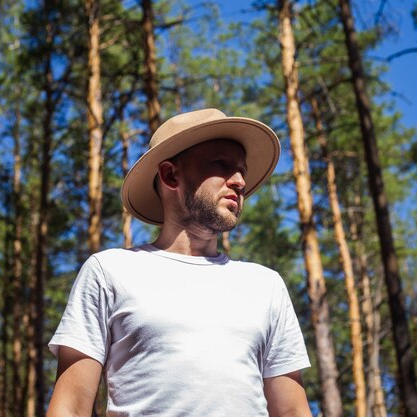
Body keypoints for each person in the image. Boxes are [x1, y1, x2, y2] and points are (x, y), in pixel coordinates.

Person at [47, 108, 313, 417]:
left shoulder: (265, 285)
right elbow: (69, 408)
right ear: (170, 175)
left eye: (242, 170)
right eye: (221, 165)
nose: (240, 181)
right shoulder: (110, 271)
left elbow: (293, 410)